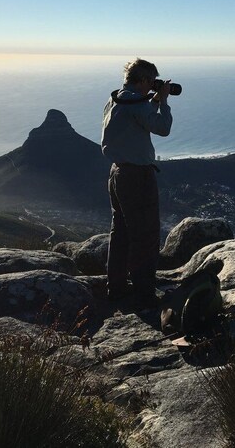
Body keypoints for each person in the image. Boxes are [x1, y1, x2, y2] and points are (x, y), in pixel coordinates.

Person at [101, 58, 172, 308]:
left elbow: (137, 118)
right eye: (152, 82)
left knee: (120, 232)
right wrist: (163, 102)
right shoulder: (136, 103)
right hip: (137, 177)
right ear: (142, 80)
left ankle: (117, 287)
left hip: (117, 173)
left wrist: (151, 101)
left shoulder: (117, 99)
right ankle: (144, 293)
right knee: (145, 235)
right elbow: (163, 128)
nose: (154, 86)